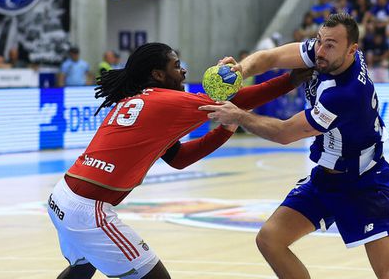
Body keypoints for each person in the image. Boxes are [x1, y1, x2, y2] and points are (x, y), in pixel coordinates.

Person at [47, 42, 309, 279]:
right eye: (176, 66)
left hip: (62, 196)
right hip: (87, 209)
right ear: (158, 75)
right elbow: (236, 99)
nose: (183, 71)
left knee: (80, 269)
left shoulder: (137, 100)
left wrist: (226, 128)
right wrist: (290, 80)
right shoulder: (168, 101)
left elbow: (179, 159)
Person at [199, 13, 389, 279]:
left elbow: (285, 134)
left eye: (330, 45)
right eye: (319, 40)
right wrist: (240, 70)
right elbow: (270, 58)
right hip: (326, 178)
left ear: (352, 50)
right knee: (269, 239)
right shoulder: (325, 55)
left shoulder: (346, 95)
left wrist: (239, 115)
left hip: (364, 182)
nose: (319, 50)